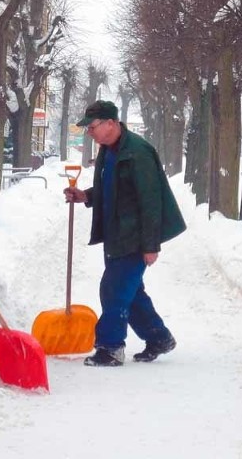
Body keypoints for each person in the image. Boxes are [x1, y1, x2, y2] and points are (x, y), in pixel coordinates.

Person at [64, 100, 187, 366]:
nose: (90, 133)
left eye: (93, 127)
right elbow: (114, 190)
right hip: (116, 233)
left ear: (111, 123)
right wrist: (85, 195)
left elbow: (151, 200)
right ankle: (159, 338)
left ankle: (110, 347)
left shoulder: (138, 152)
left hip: (134, 235)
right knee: (130, 291)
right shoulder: (109, 151)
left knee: (113, 289)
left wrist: (151, 244)